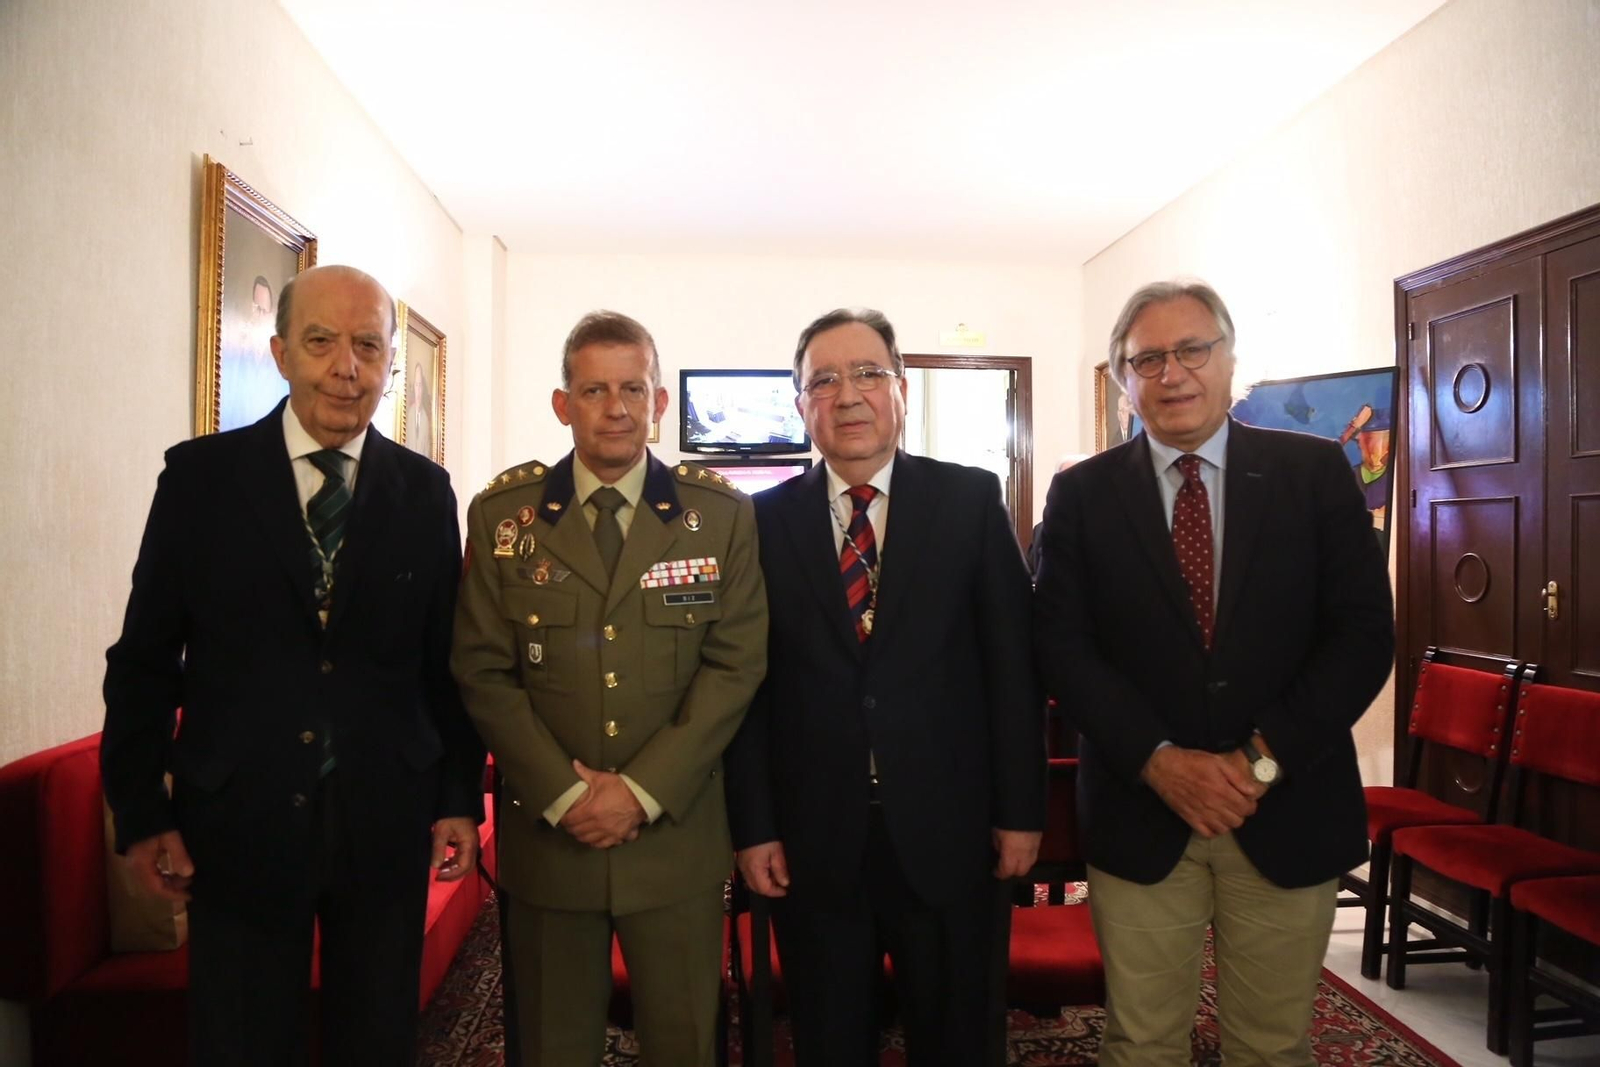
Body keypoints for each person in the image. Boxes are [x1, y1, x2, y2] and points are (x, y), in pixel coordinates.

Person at [101, 264, 486, 1064]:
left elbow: (443, 663)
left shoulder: (426, 493)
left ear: (388, 366)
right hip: (235, 820)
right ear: (279, 352)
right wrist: (141, 811)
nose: (345, 367)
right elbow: (143, 657)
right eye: (321, 342)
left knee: (375, 1036)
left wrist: (457, 796)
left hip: (384, 818)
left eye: (368, 347)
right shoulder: (200, 480)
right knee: (242, 1039)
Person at [1033, 280, 1394, 1067]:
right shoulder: (1082, 494)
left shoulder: (1315, 473)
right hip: (1140, 810)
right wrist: (1159, 762)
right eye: (1148, 358)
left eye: (1193, 348)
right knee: (1141, 1041)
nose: (1173, 373)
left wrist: (1258, 761)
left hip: (1287, 804)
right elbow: (1061, 646)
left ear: (1230, 360)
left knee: (1270, 1044)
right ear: (1124, 379)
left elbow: (1363, 636)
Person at [725, 307, 1045, 1067]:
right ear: (800, 405)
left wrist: (1021, 810)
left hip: (953, 834)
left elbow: (1012, 667)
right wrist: (754, 825)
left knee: (960, 1036)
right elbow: (746, 690)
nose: (848, 394)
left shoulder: (970, 501)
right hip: (814, 840)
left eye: (867, 372)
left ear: (900, 389)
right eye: (823, 380)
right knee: (831, 1037)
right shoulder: (758, 523)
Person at [451, 310, 768, 1067]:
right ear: (564, 404)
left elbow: (737, 664)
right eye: (594, 389)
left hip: (674, 839)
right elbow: (482, 669)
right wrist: (566, 794)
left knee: (685, 1041)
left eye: (634, 387)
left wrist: (641, 791)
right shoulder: (506, 517)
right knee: (552, 1046)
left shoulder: (720, 516)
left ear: (660, 402)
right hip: (549, 841)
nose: (617, 407)